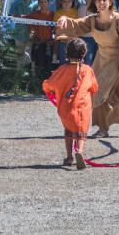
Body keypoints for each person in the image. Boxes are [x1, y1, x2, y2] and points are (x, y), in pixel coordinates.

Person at [55, 0, 119, 138]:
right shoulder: (92, 20)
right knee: (95, 91)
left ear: (110, 2)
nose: (101, 3)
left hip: (117, 60)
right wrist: (64, 20)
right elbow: (76, 24)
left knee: (104, 92)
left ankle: (104, 128)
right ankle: (103, 125)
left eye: (104, 0)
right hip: (101, 58)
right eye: (98, 0)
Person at [42, 38, 99, 169]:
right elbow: (94, 87)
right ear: (84, 53)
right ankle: (79, 151)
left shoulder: (62, 69)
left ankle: (69, 157)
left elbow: (50, 84)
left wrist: (45, 86)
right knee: (81, 132)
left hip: (65, 107)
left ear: (67, 52)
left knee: (68, 130)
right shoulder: (87, 70)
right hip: (82, 107)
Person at [10, 0, 38, 70]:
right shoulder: (17, 2)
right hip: (19, 33)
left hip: (31, 32)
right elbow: (13, 16)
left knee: (28, 54)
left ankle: (29, 75)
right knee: (19, 54)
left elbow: (37, 19)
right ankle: (19, 75)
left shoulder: (36, 4)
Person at [28, 0, 55, 81]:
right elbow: (27, 24)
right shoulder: (33, 15)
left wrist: (53, 39)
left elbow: (56, 28)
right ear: (38, 3)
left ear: (48, 3)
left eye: (45, 2)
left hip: (49, 44)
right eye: (41, 2)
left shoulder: (52, 15)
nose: (43, 4)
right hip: (38, 43)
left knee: (49, 64)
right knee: (38, 64)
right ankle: (38, 83)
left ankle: (48, 82)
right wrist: (32, 36)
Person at [79, 0, 98, 64]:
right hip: (86, 37)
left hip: (97, 38)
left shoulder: (98, 8)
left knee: (95, 61)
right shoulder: (82, 8)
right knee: (88, 60)